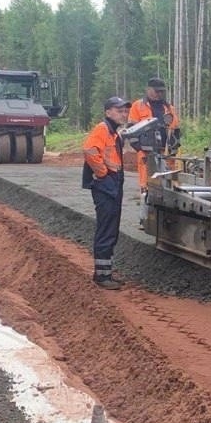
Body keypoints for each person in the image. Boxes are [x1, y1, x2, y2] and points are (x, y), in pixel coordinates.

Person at [82, 96, 130, 289]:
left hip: (112, 184)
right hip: (106, 186)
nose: (124, 114)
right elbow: (90, 150)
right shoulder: (102, 129)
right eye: (119, 110)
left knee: (111, 229)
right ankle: (102, 277)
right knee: (106, 229)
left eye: (125, 111)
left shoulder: (114, 133)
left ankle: (105, 273)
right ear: (108, 112)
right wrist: (103, 174)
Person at [127, 78, 182, 191]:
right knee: (148, 184)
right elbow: (131, 130)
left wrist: (173, 149)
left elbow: (175, 131)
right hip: (146, 152)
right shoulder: (137, 106)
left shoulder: (169, 108)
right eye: (156, 91)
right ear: (148, 90)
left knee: (169, 184)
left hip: (166, 153)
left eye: (161, 91)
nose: (159, 94)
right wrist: (139, 148)